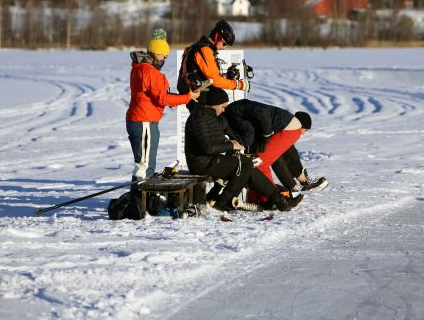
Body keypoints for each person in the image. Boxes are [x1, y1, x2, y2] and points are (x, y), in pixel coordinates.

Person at [184, 88, 302, 212]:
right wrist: (231, 146)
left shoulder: (209, 116)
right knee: (245, 163)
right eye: (223, 106)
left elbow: (213, 140)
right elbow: (207, 147)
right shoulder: (200, 117)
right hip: (201, 163)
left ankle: (280, 201)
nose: (224, 110)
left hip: (210, 160)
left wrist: (231, 144)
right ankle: (223, 201)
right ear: (215, 105)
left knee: (247, 164)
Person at [126, 28, 200, 186]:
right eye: (163, 55)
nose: (164, 59)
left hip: (141, 120)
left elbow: (159, 95)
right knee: (144, 165)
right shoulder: (150, 72)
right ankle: (139, 200)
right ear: (154, 53)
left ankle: (143, 197)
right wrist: (188, 97)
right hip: (144, 121)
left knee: (146, 162)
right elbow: (163, 98)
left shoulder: (139, 68)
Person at [224, 100, 327, 202]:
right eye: (305, 131)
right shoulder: (234, 113)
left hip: (284, 129)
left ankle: (272, 198)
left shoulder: (233, 112)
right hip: (284, 129)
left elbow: (259, 116)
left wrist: (266, 135)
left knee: (259, 162)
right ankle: (258, 198)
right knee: (261, 161)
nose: (303, 134)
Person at [177, 20, 250, 103]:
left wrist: (227, 77)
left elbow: (205, 76)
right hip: (196, 96)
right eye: (224, 44)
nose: (224, 48)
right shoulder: (204, 50)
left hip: (195, 92)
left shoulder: (199, 47)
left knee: (221, 99)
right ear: (217, 37)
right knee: (221, 98)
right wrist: (239, 84)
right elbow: (215, 81)